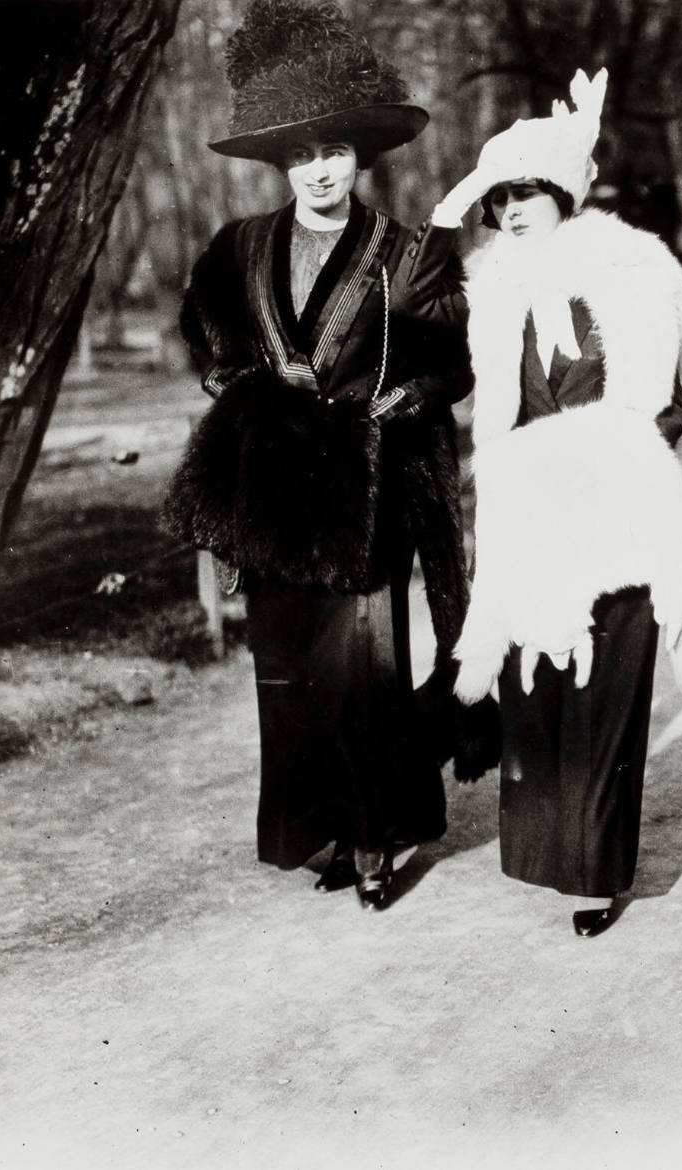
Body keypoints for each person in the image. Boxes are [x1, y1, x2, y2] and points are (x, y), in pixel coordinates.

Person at [162, 0, 492, 911]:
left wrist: (400, 403)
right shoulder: (241, 247)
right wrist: (244, 384)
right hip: (275, 494)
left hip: (367, 496)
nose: (320, 171)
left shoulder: (406, 254)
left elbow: (454, 366)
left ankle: (380, 838)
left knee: (365, 677)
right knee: (291, 677)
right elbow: (206, 334)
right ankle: (327, 830)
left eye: (335, 152)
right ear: (280, 164)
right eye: (303, 155)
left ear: (363, 158)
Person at [443, 70, 682, 938]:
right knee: (540, 692)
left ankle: (597, 872)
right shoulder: (492, 290)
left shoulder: (632, 269)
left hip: (619, 508)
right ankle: (548, 856)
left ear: (565, 190)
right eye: (500, 198)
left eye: (529, 191)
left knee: (607, 689)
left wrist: (603, 456)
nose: (515, 210)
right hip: (532, 517)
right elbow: (498, 406)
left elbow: (668, 402)